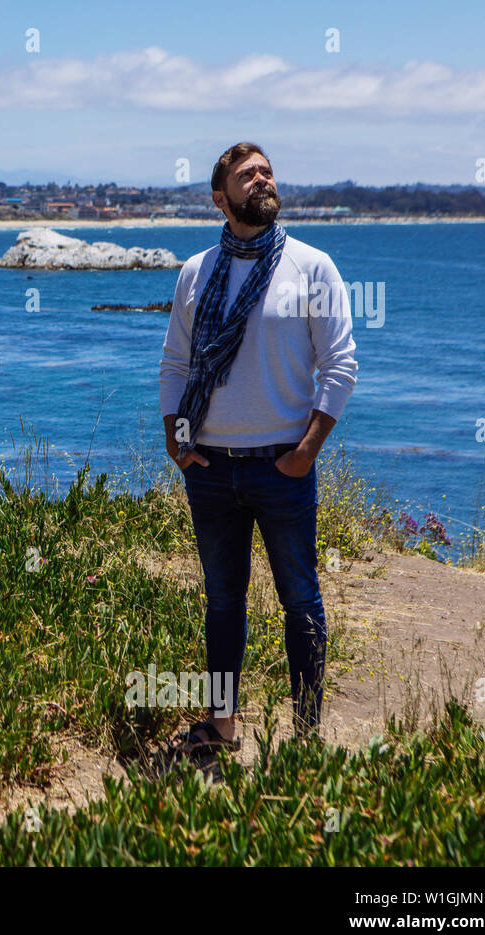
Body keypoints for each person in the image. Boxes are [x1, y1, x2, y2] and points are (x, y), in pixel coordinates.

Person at [158, 142, 358, 755]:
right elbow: (175, 363)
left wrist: (307, 451)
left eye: (267, 171)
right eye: (248, 176)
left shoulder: (311, 265)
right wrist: (177, 437)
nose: (263, 180)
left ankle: (306, 733)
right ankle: (221, 728)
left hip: (282, 467)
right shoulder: (195, 271)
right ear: (220, 198)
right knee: (223, 600)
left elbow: (340, 365)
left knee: (300, 597)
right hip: (211, 467)